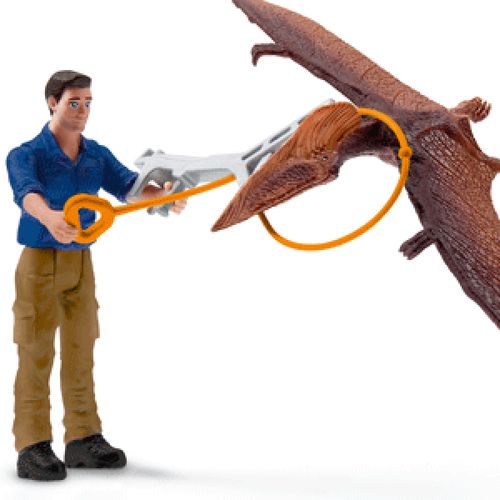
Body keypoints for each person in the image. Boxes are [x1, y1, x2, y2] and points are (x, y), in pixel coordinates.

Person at [6, 70, 187, 481]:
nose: (83, 110)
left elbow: (128, 186)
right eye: (74, 102)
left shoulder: (95, 154)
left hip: (81, 262)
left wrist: (161, 197)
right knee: (35, 350)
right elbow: (26, 192)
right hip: (39, 263)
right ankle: (32, 444)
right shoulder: (26, 153)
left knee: (81, 347)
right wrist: (50, 217)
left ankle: (83, 437)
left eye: (88, 103)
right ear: (52, 102)